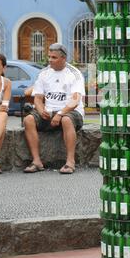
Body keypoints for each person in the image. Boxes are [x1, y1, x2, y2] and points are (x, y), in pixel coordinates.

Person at [23, 43, 85, 174]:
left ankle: (70, 162)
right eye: (49, 57)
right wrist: (41, 110)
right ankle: (36, 161)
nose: (50, 60)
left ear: (63, 58)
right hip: (49, 111)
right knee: (28, 120)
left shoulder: (74, 73)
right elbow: (38, 99)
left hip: (70, 111)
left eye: (54, 57)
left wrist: (60, 114)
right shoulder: (44, 73)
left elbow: (75, 100)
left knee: (66, 120)